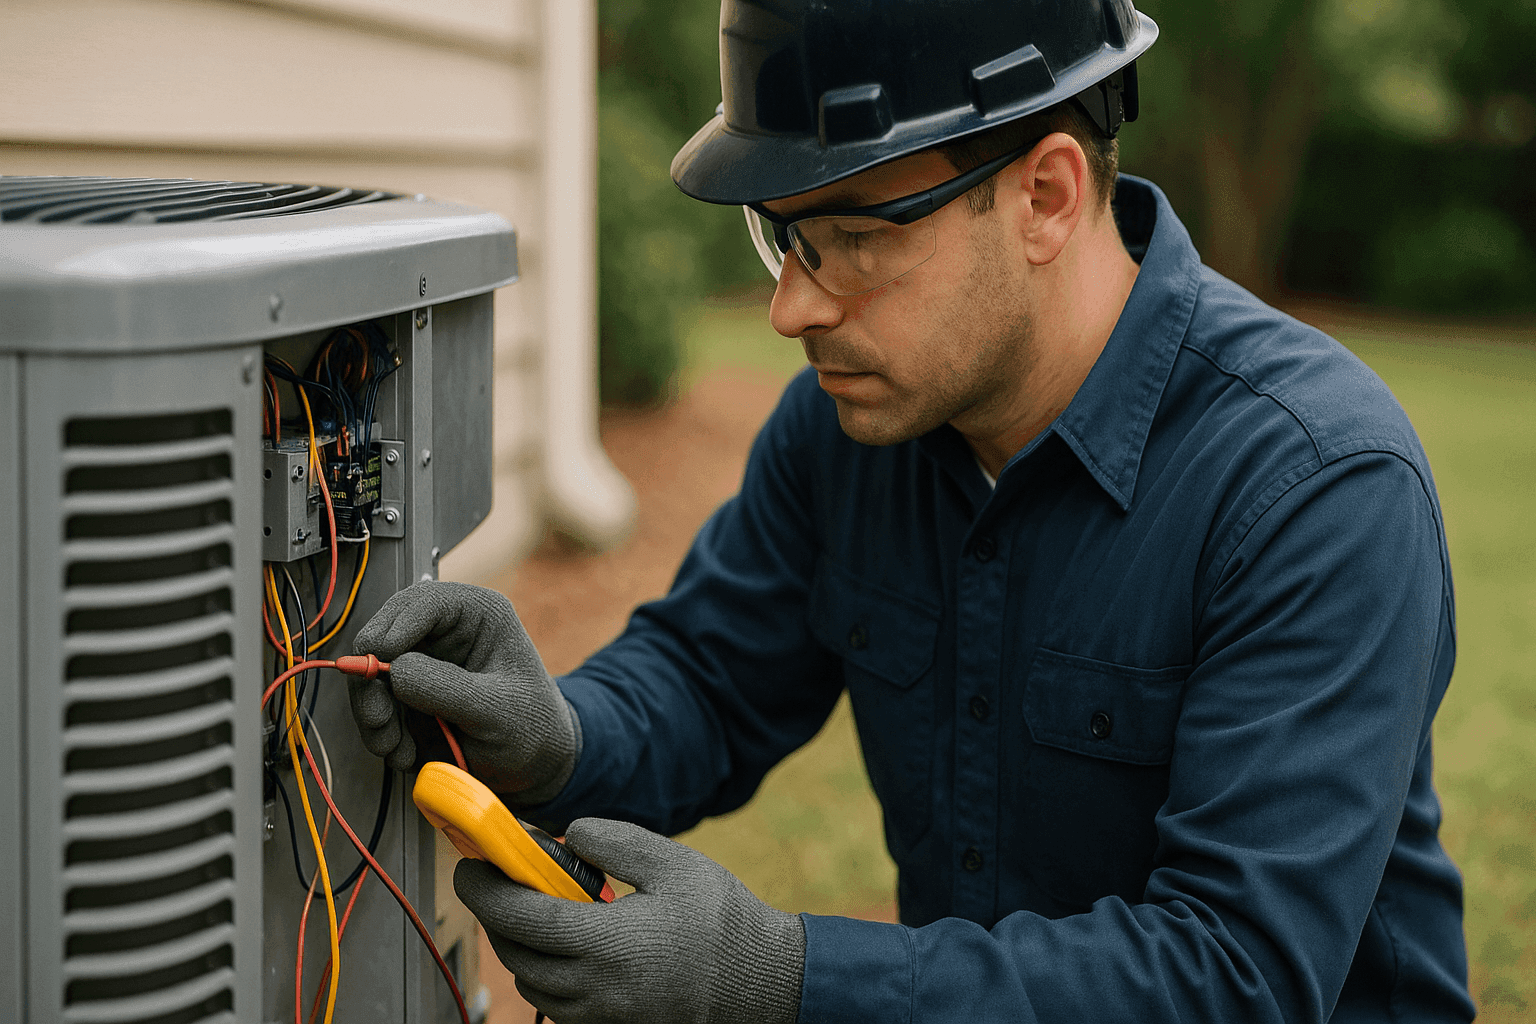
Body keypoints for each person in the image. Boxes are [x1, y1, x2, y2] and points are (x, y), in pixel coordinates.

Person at [347, 1, 1475, 1020]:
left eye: (853, 241)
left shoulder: (1316, 486)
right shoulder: (851, 432)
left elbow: (1233, 974)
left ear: (1045, 196)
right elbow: (709, 677)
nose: (791, 307)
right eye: (786, 236)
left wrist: (777, 976)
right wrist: (561, 734)